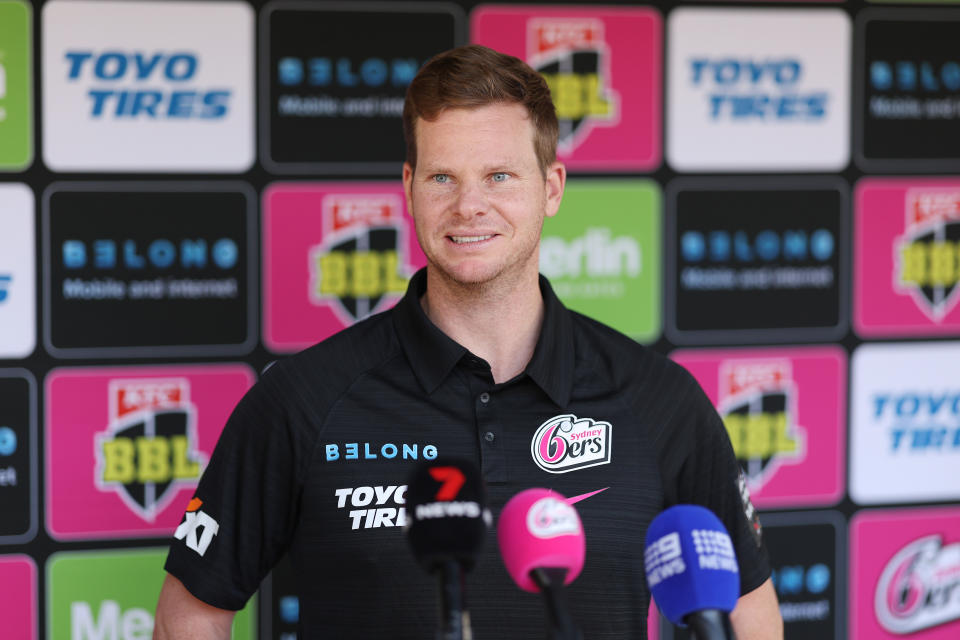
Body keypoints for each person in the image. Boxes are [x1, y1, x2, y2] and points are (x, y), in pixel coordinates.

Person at [154, 44, 782, 639]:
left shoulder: (659, 400)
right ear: (408, 187)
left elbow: (749, 616)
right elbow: (192, 612)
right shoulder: (302, 399)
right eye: (442, 178)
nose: (469, 206)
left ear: (553, 187)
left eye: (500, 176)